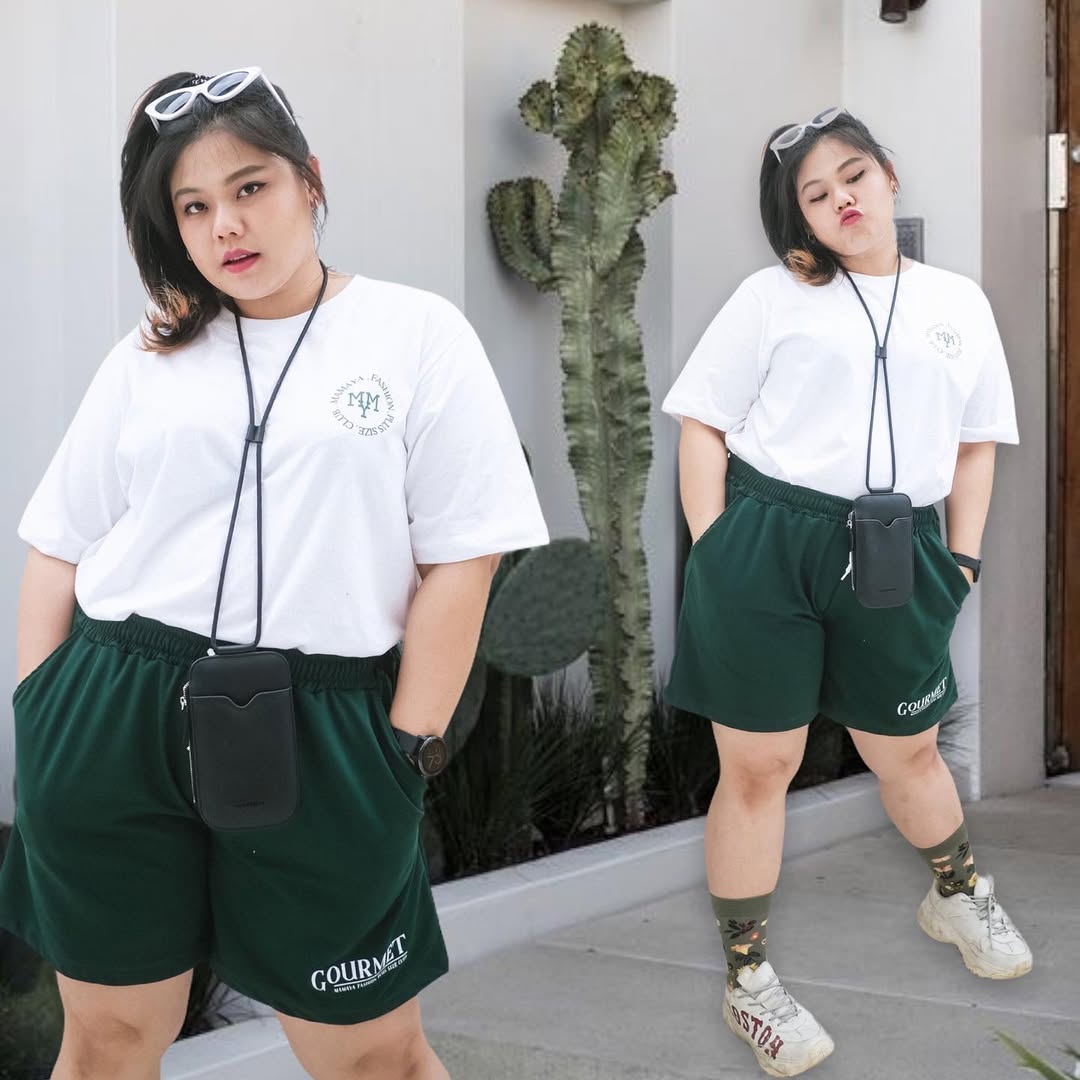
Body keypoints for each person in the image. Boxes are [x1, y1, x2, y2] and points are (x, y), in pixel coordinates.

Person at [0, 66, 549, 1080]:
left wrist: (408, 747)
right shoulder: (149, 353)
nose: (226, 226)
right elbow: (58, 545)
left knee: (370, 1055)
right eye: (194, 205)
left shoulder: (416, 335)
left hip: (325, 722)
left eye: (249, 188)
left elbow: (462, 560)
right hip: (115, 709)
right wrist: (43, 712)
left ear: (309, 180)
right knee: (112, 1039)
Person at [661, 107, 1031, 1077]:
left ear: (891, 175)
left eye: (854, 175)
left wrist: (963, 560)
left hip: (901, 544)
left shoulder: (958, 303)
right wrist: (717, 547)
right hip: (769, 540)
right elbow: (702, 421)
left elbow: (975, 440)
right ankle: (749, 984)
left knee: (906, 746)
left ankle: (955, 891)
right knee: (760, 766)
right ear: (800, 221)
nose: (842, 201)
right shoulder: (769, 298)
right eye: (816, 196)